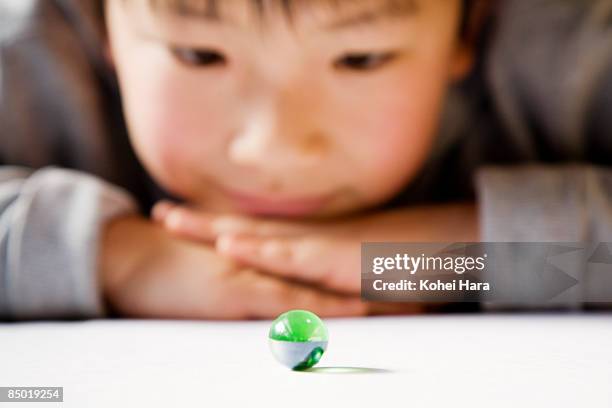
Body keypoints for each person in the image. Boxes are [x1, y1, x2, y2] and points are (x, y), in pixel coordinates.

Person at [0, 0, 610, 320]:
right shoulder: (31, 47)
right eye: (198, 54)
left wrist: (462, 258)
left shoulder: (565, 51)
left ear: (468, 29)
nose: (273, 148)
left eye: (360, 59)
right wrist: (122, 260)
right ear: (101, 20)